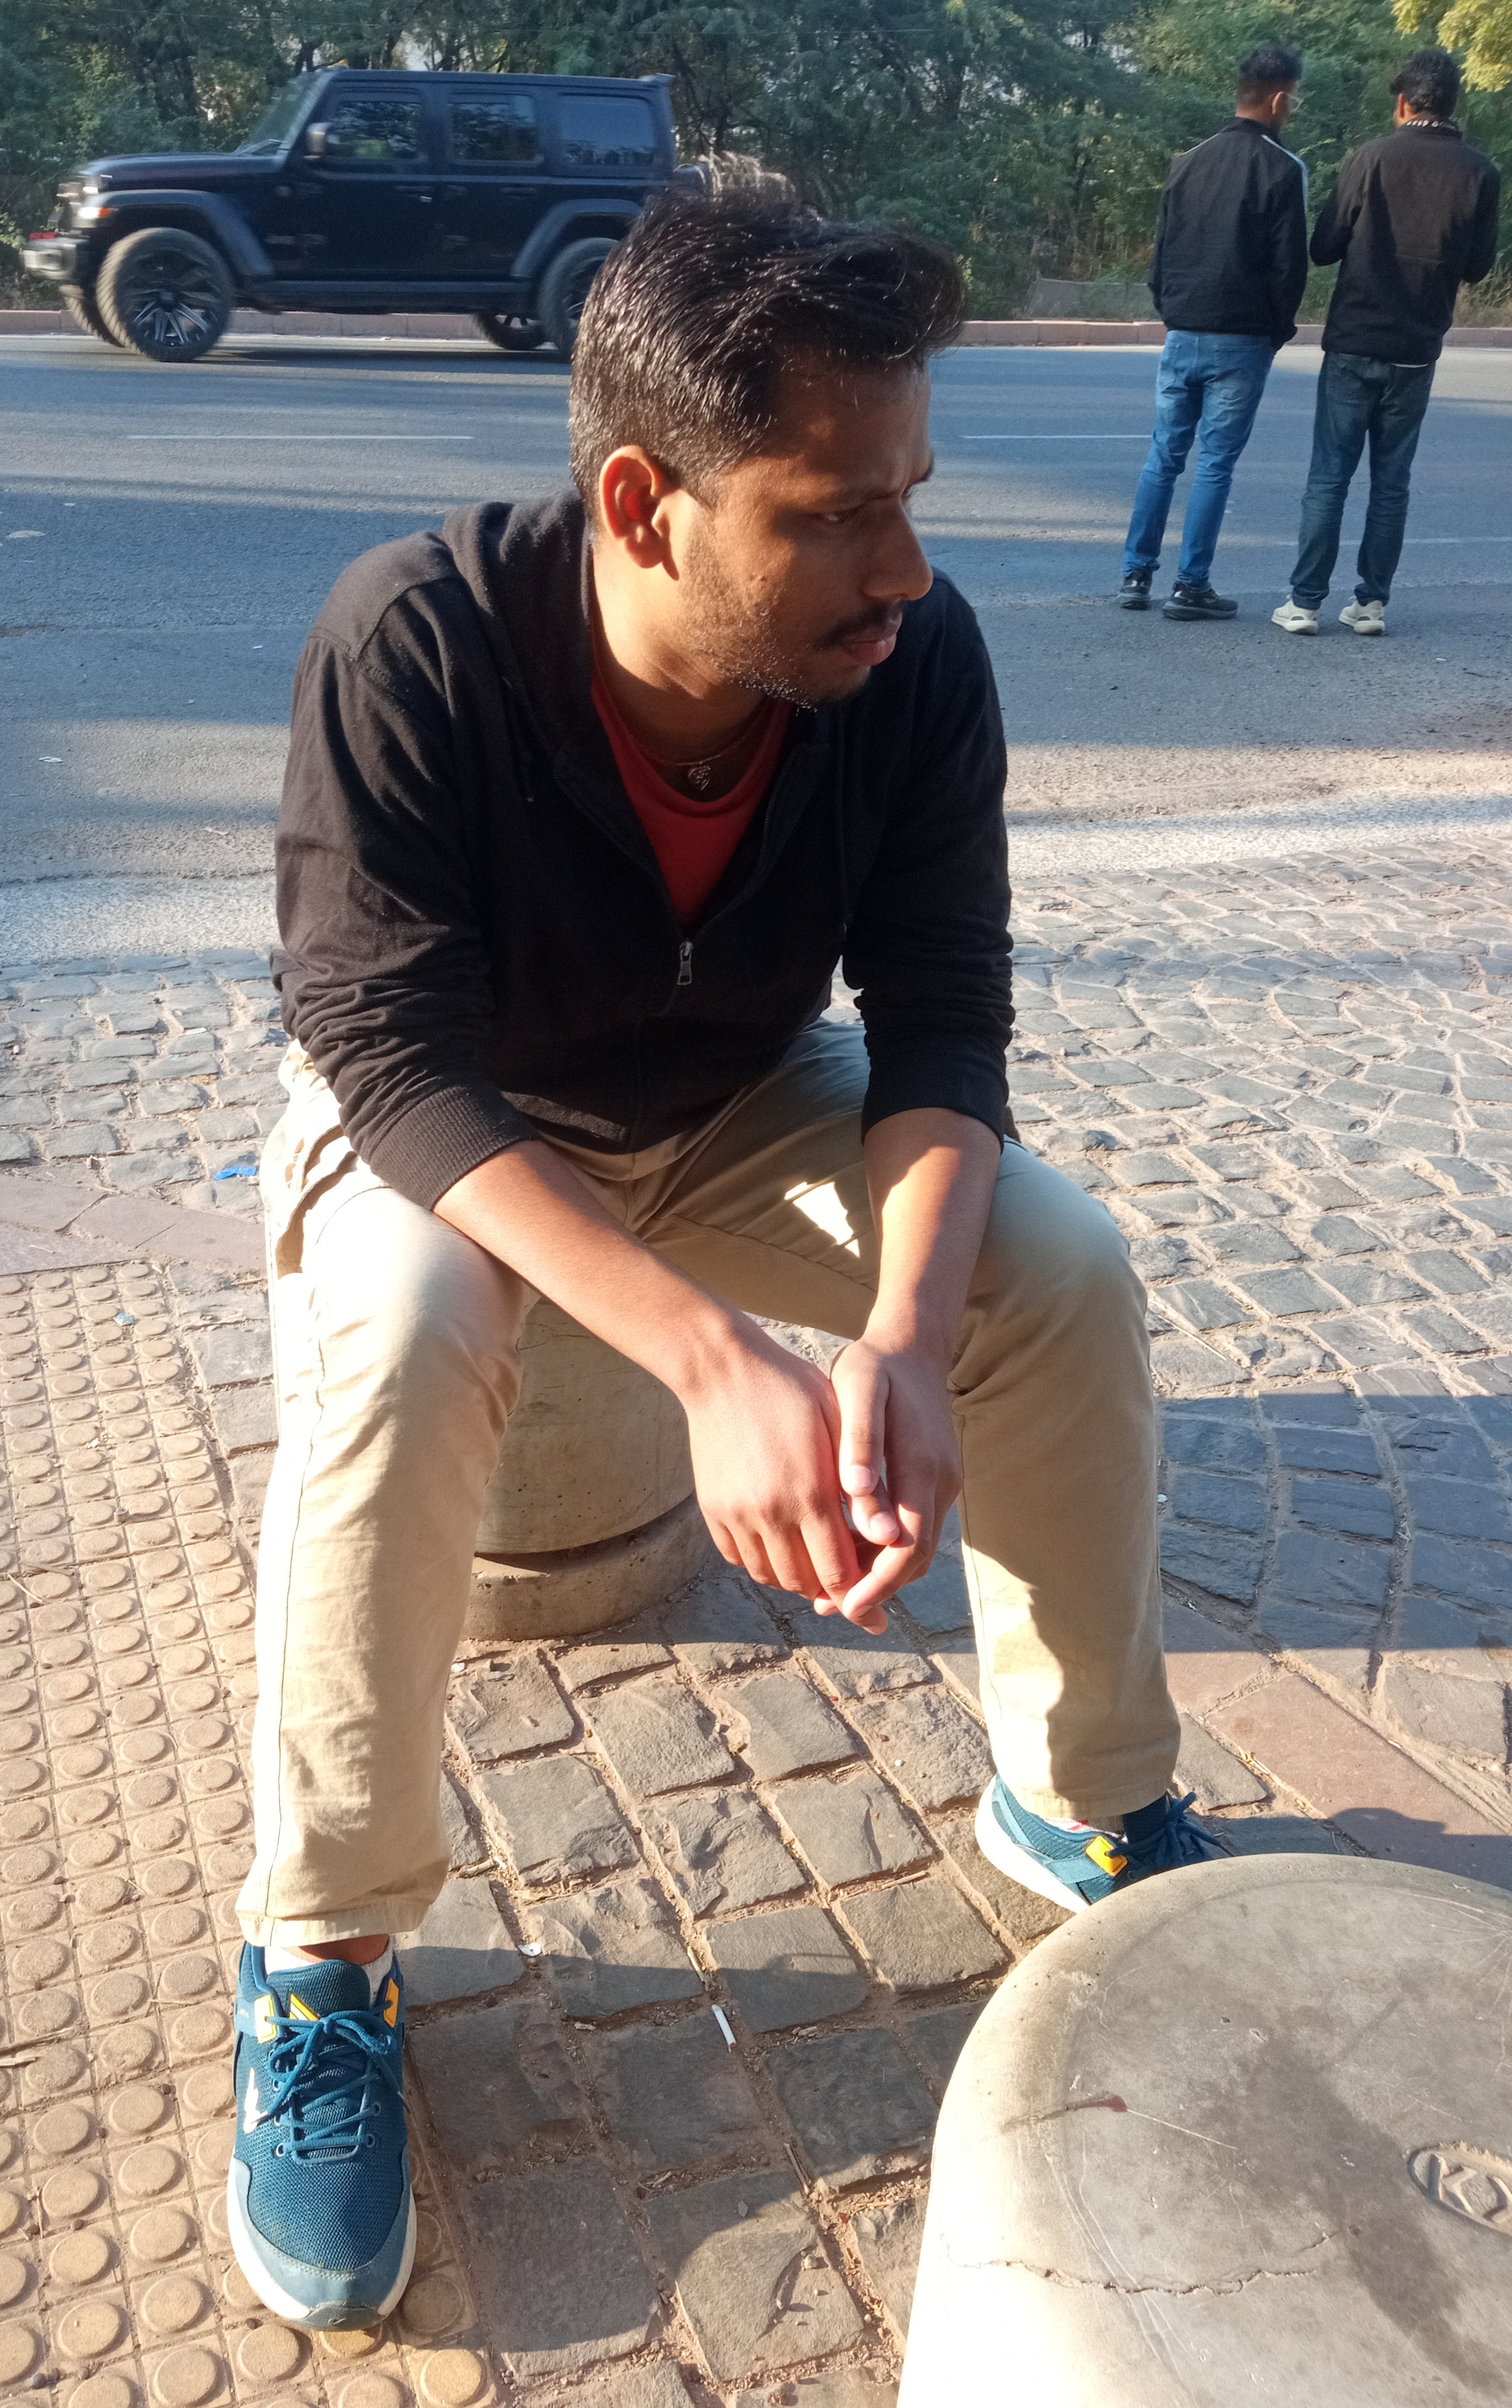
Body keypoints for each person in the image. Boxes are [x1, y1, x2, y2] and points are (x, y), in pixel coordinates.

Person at [227, 184, 1228, 2335]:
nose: (903, 567)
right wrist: (711, 1360)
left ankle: (1079, 1799)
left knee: (1049, 1264)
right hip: (461, 1127)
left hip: (740, 1098)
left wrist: (900, 1339)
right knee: (395, 1332)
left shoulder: (908, 665)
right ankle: (321, 1951)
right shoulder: (414, 637)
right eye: (833, 513)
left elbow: (942, 1022)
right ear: (642, 502)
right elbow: (385, 1057)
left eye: (910, 497)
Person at [1272, 49, 1502, 638]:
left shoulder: (1370, 157)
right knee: (1391, 483)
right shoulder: (1480, 172)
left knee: (1329, 477)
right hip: (1418, 347)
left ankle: (1304, 603)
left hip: (1355, 340)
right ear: (1453, 102)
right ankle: (1371, 604)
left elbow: (1325, 246)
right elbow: (1477, 267)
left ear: (1403, 102)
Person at [1119, 42, 1308, 620]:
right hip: (1242, 339)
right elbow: (1289, 268)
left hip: (1183, 330)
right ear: (1278, 99)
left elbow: (1161, 258)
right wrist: (1276, 331)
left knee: (1163, 457)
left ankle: (1135, 575)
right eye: (1293, 101)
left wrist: (1173, 310)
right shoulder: (1283, 168)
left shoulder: (1187, 162)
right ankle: (1190, 585)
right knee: (1215, 464)